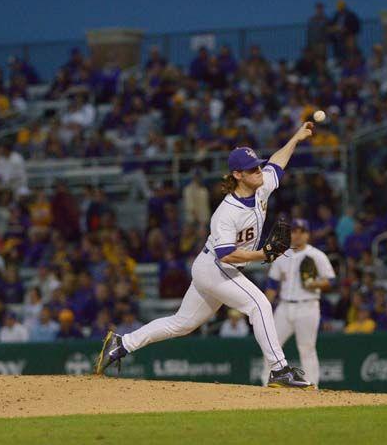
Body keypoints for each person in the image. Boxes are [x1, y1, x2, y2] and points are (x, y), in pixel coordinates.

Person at [96, 123, 317, 389]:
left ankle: (122, 343)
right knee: (259, 305)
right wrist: (263, 254)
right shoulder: (226, 213)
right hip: (215, 268)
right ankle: (279, 370)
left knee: (182, 324)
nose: (259, 171)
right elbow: (226, 256)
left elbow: (277, 163)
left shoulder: (262, 185)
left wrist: (297, 137)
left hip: (215, 268)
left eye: (258, 166)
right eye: (252, 169)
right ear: (238, 175)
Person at [260, 218, 336, 387]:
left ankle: (313, 386)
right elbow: (272, 285)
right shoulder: (282, 256)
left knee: (307, 348)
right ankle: (266, 383)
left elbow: (331, 281)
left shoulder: (317, 255)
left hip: (308, 306)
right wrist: (264, 308)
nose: (297, 235)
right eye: (294, 231)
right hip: (284, 307)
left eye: (302, 231)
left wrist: (314, 284)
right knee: (272, 346)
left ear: (308, 235)